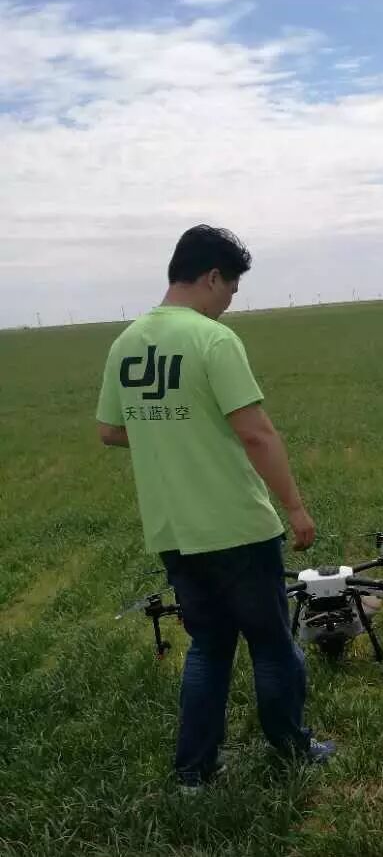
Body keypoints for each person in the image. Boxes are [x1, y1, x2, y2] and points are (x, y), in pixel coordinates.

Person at [95, 225, 335, 792]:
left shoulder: (125, 343)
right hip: (236, 526)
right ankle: (293, 749)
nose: (229, 302)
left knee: (208, 647)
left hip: (173, 530)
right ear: (210, 277)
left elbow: (110, 430)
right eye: (230, 289)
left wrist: (170, 435)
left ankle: (194, 773)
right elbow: (256, 434)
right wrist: (295, 507)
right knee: (272, 644)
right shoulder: (213, 340)